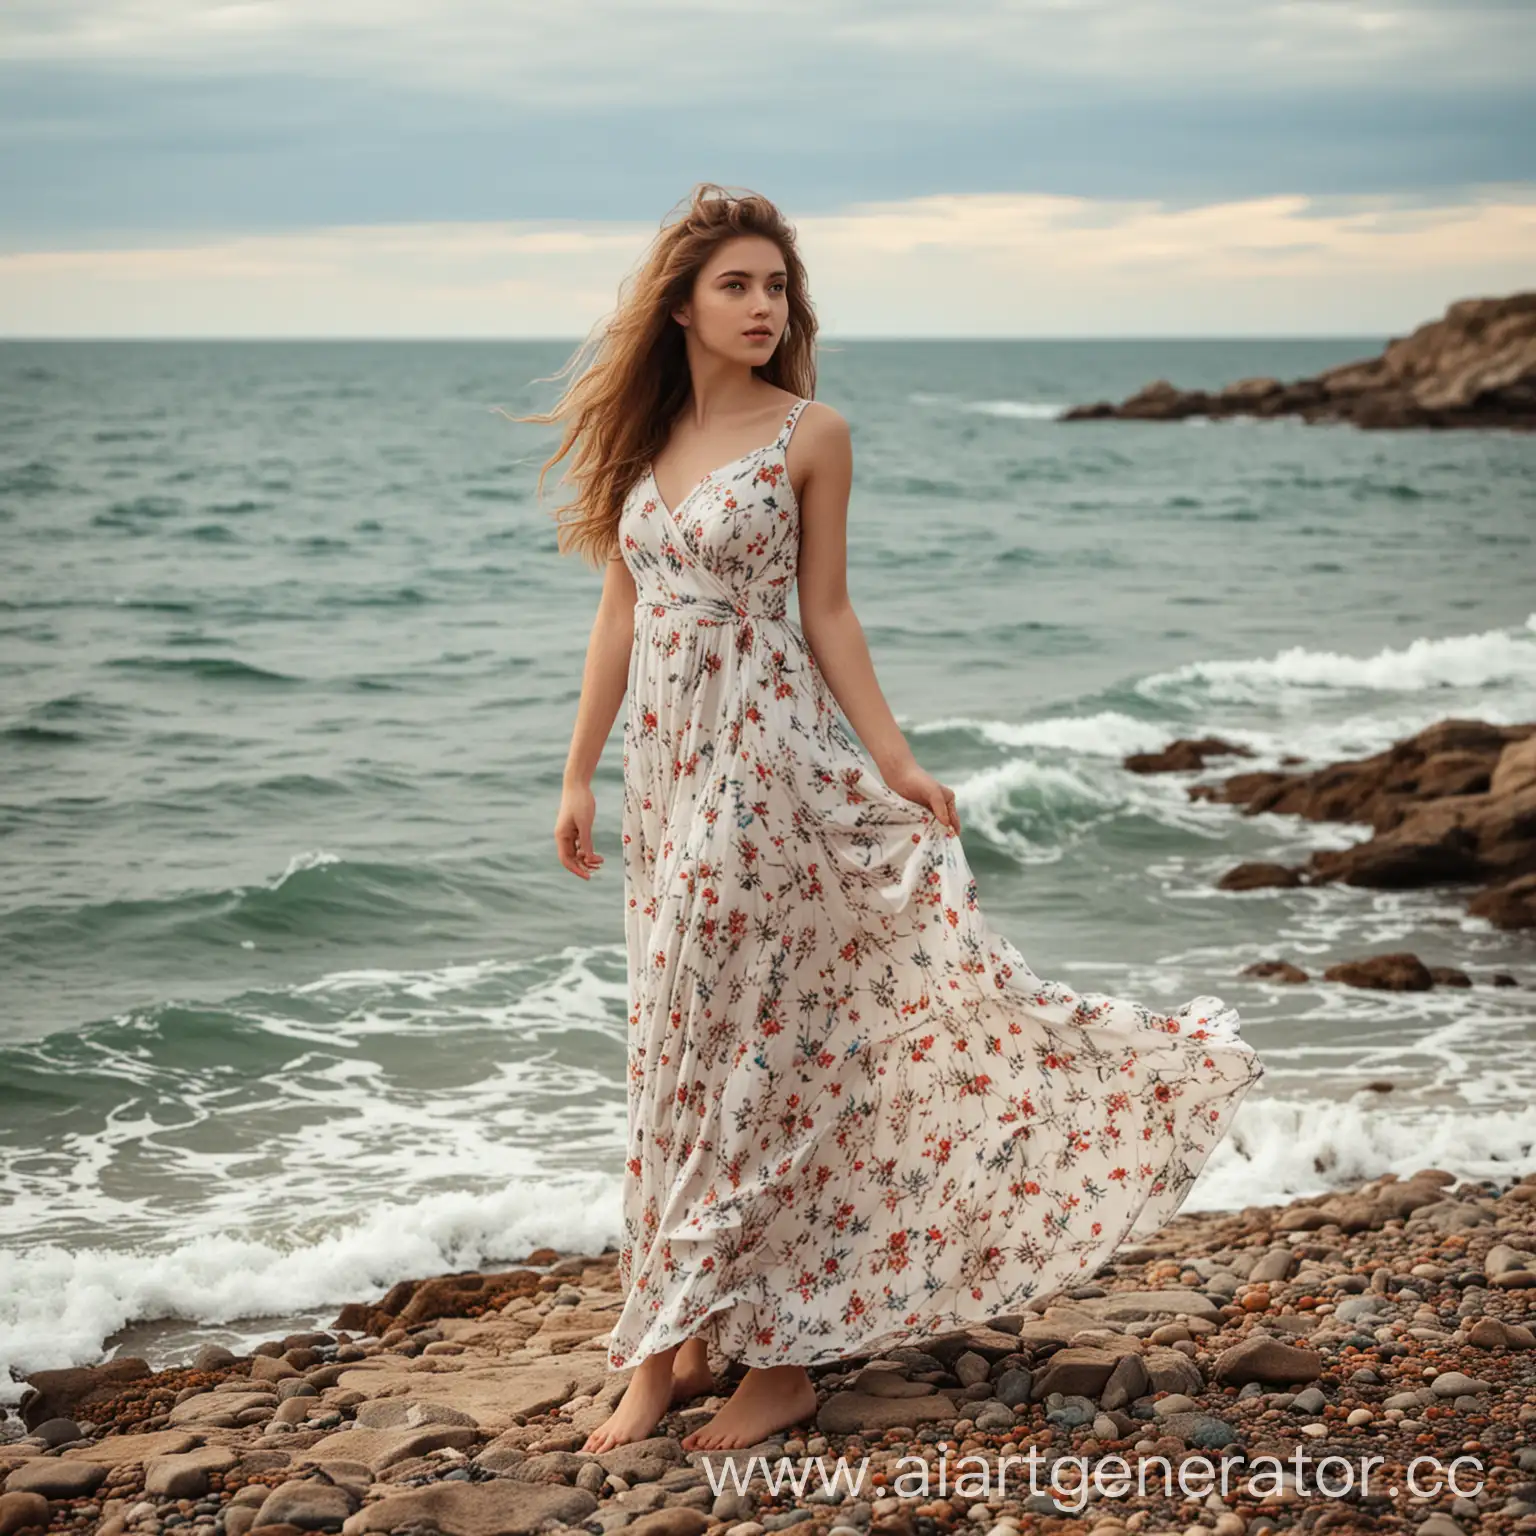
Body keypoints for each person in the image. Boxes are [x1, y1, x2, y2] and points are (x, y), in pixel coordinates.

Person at [516, 183, 1265, 1456]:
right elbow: (619, 618)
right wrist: (579, 774)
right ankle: (675, 1337)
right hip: (672, 782)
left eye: (777, 288)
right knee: (678, 1053)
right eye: (738, 287)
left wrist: (899, 763)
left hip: (775, 778)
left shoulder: (812, 432)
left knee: (771, 1061)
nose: (765, 307)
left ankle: (783, 1359)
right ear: (681, 305)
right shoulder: (643, 441)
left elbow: (830, 615)